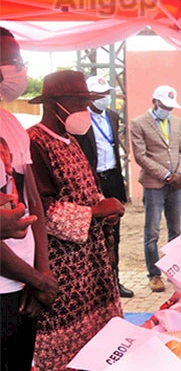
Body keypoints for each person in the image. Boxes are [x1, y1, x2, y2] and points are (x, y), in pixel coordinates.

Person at [27, 70, 124, 369]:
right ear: (57, 103)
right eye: (79, 103)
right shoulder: (35, 142)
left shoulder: (71, 139)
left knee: (98, 339)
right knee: (64, 350)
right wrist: (94, 212)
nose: (85, 110)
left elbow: (87, 189)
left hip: (90, 261)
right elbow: (41, 209)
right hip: (62, 265)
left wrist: (104, 210)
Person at [0, 27, 57, 371]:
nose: (20, 68)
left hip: (24, 283)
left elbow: (33, 203)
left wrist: (41, 272)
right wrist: (37, 280)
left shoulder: (11, 124)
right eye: (12, 60)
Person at [74, 76, 133, 299]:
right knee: (93, 233)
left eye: (106, 93)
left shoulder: (112, 116)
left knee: (114, 233)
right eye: (99, 94)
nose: (104, 98)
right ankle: (94, 285)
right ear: (89, 97)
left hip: (112, 180)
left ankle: (114, 281)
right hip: (92, 181)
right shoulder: (80, 121)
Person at [130, 85, 181, 292]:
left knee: (176, 230)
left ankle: (175, 270)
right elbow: (140, 156)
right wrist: (165, 175)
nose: (168, 110)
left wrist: (180, 174)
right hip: (154, 184)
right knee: (152, 232)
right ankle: (154, 275)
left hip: (176, 184)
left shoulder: (177, 122)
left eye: (171, 107)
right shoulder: (138, 123)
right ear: (155, 102)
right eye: (165, 106)